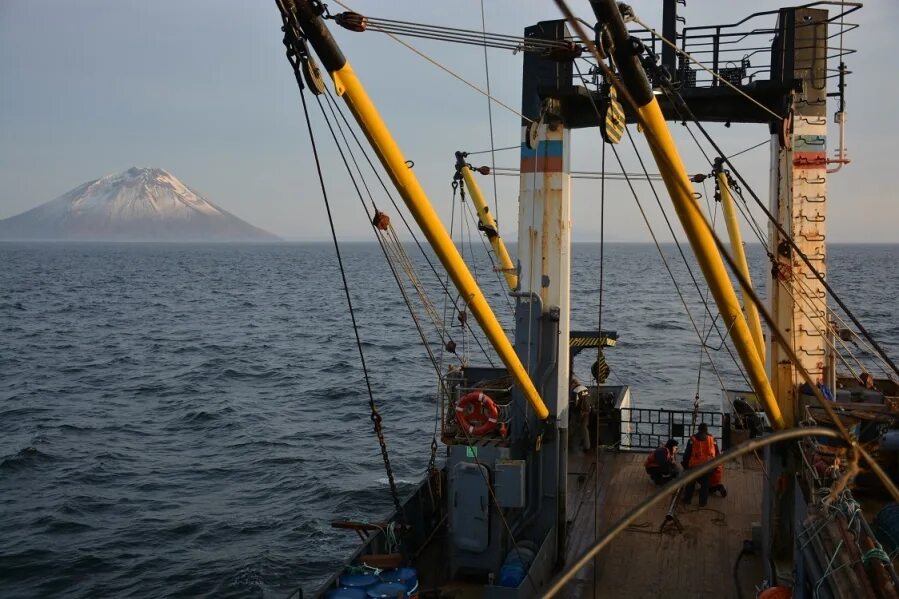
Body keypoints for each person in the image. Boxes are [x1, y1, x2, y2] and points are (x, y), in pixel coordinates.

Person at [681, 422, 726, 507]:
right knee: (705, 485)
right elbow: (717, 454)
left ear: (698, 429)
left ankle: (687, 500)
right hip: (708, 467)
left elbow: (687, 454)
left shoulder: (692, 440)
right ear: (706, 430)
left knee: (690, 483)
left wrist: (685, 464)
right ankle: (702, 503)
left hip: (694, 466)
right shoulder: (712, 439)